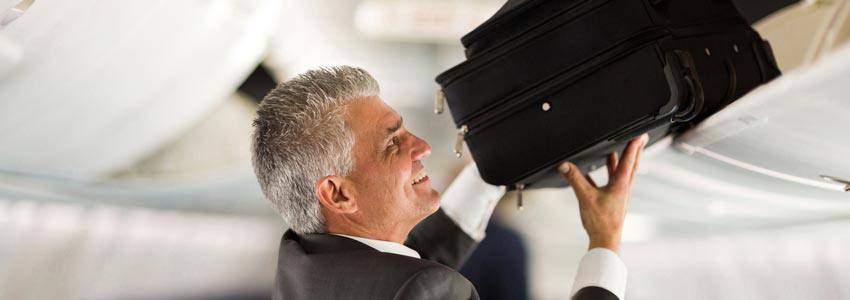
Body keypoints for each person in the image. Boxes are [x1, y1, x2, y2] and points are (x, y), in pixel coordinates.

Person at [251, 66, 648, 300]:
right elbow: (416, 284)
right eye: (393, 143)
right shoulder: (424, 289)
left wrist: (492, 167)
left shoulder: (304, 264)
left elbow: (405, 267)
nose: (421, 147)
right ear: (338, 194)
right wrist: (605, 239)